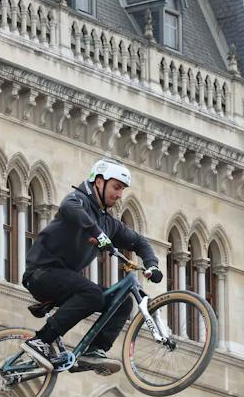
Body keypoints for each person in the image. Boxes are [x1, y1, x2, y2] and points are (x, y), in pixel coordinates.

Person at [21, 158, 161, 376]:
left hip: (65, 280)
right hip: (41, 274)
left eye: (122, 190)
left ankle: (93, 351)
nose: (119, 195)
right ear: (98, 181)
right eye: (116, 187)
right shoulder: (78, 200)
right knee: (92, 293)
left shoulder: (108, 223)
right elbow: (69, 208)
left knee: (122, 302)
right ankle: (40, 341)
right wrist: (97, 233)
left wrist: (152, 265)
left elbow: (139, 242)